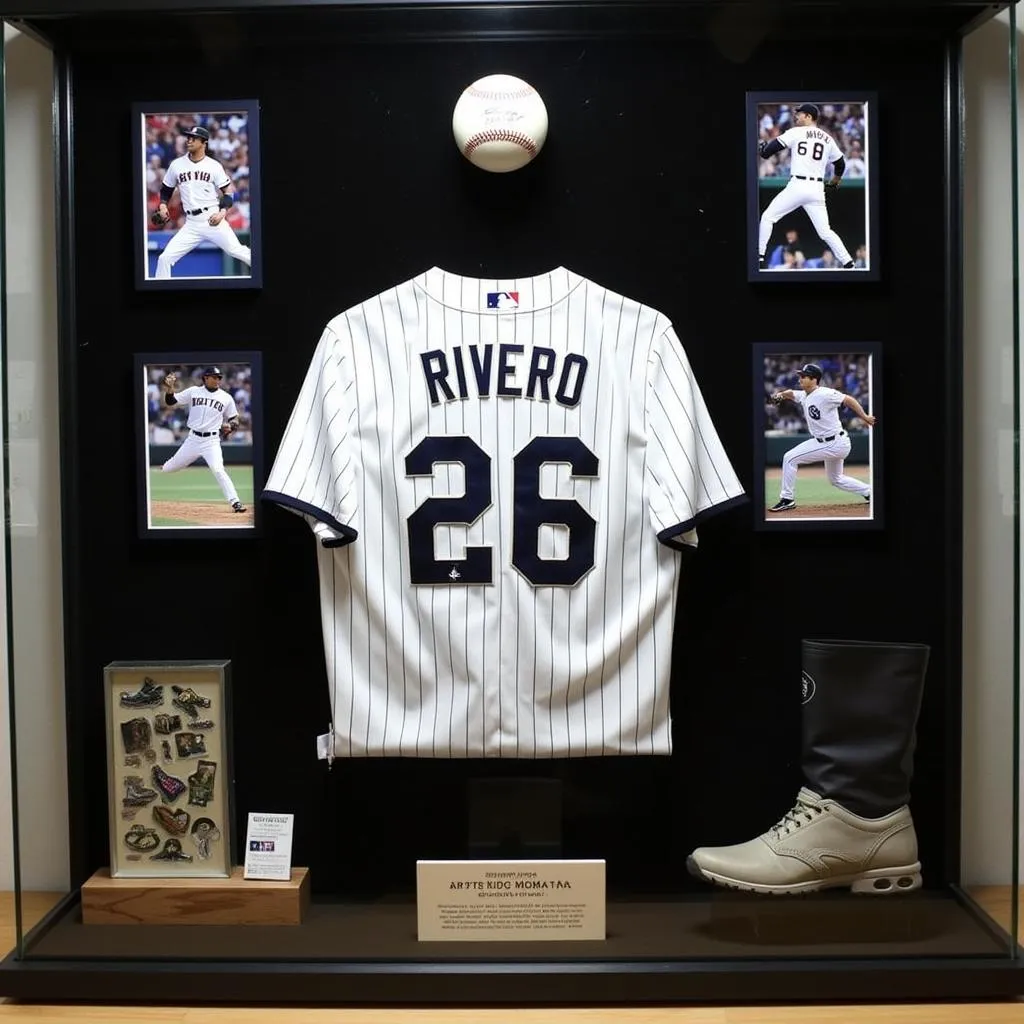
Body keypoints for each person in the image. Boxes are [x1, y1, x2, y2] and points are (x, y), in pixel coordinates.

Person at [757, 103, 856, 270]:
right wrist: (835, 181)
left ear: (809, 117)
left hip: (798, 185)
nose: (796, 116)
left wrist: (762, 149)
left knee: (768, 217)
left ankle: (759, 256)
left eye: (800, 114)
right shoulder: (828, 138)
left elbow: (769, 152)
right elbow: (840, 164)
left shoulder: (796, 132)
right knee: (825, 232)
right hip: (816, 189)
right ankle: (848, 262)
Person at [767, 362, 873, 512]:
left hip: (833, 442)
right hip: (833, 442)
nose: (800, 378)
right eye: (800, 376)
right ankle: (869, 491)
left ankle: (787, 499)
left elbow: (849, 400)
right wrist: (779, 395)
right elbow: (791, 393)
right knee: (836, 479)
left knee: (789, 458)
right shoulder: (804, 395)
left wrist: (865, 417)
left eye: (804, 376)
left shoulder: (825, 394)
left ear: (814, 379)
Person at [151, 125, 251, 280]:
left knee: (238, 251)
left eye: (193, 138)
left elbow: (228, 192)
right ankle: (158, 295)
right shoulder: (176, 165)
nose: (189, 140)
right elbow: (166, 190)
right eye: (188, 137)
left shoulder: (213, 165)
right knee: (165, 258)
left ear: (204, 142)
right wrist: (163, 205)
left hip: (213, 219)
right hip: (191, 223)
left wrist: (222, 212)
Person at [160, 366, 247, 513]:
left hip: (211, 441)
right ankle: (162, 468)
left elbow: (234, 418)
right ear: (205, 378)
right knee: (169, 468)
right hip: (193, 439)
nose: (218, 379)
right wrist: (170, 388)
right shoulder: (193, 391)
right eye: (214, 377)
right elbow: (171, 401)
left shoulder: (226, 397)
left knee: (219, 470)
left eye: (219, 377)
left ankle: (235, 502)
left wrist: (231, 426)